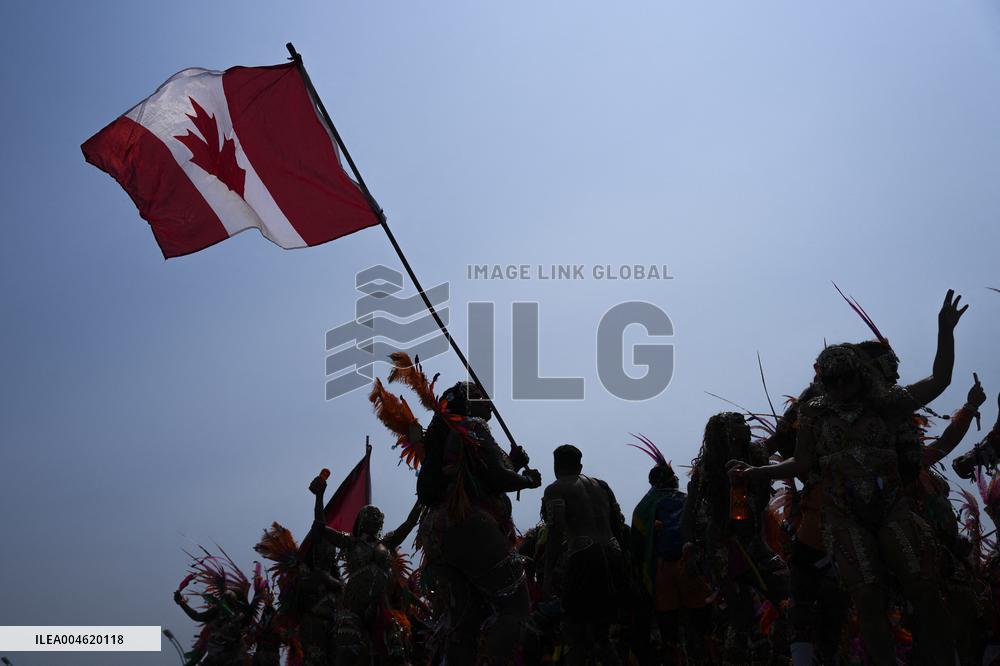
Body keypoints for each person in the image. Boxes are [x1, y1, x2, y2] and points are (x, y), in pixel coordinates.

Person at [729, 343, 958, 665]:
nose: (840, 387)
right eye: (832, 380)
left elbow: (940, 380)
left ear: (860, 375)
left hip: (891, 506)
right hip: (843, 513)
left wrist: (945, 331)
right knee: (865, 594)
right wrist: (758, 471)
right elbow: (801, 460)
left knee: (922, 585)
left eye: (846, 378)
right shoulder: (813, 412)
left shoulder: (887, 403)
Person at [414, 380, 542, 664]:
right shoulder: (473, 425)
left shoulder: (451, 432)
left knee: (467, 620)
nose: (490, 402)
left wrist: (513, 463)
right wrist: (528, 480)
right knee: (516, 605)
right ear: (470, 400)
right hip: (470, 525)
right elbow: (497, 477)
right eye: (483, 395)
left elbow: (480, 476)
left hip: (439, 532)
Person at [309, 474, 422, 665]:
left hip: (379, 606)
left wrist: (422, 499)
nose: (374, 517)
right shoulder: (350, 542)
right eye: (369, 514)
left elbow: (409, 523)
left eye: (377, 516)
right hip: (353, 606)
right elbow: (320, 528)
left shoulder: (387, 542)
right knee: (348, 651)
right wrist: (319, 497)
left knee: (397, 652)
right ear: (360, 521)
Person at [541, 444, 626, 666]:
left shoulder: (556, 489)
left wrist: (548, 574)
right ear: (579, 465)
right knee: (603, 635)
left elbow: (556, 530)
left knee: (574, 632)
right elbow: (618, 524)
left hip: (584, 557)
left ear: (556, 466)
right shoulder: (602, 486)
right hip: (614, 554)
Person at [629, 440, 711, 666]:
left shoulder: (642, 508)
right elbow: (705, 530)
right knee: (702, 629)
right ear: (673, 479)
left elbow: (636, 548)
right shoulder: (688, 499)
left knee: (669, 634)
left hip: (662, 572)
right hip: (691, 567)